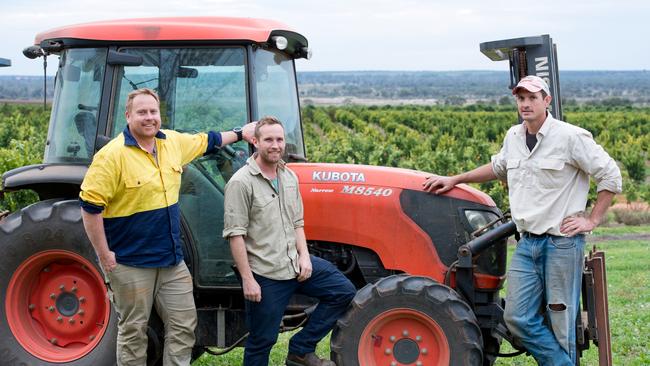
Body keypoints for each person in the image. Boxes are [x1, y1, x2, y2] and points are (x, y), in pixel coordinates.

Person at [423, 75, 622, 365]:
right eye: (521, 98)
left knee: (561, 324)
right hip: (527, 245)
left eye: (532, 98)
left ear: (547, 101)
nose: (526, 104)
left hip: (561, 245)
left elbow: (611, 176)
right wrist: (456, 178)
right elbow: (497, 166)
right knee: (517, 318)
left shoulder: (570, 137)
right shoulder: (513, 137)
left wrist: (592, 219)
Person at [79, 88, 256, 366]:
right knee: (134, 330)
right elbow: (90, 209)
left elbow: (207, 141)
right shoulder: (111, 156)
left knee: (184, 325)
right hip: (130, 262)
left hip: (171, 262)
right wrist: (104, 254)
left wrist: (241, 132)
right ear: (128, 116)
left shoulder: (171, 142)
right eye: (142, 112)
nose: (149, 117)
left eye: (153, 112)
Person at [223, 116, 356, 366]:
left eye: (280, 139)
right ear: (255, 141)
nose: (275, 145)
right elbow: (235, 234)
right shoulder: (241, 183)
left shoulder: (288, 176)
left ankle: (301, 348)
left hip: (294, 264)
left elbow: (297, 223)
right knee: (262, 341)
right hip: (266, 273)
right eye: (269, 139)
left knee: (343, 291)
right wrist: (248, 280)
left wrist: (305, 256)